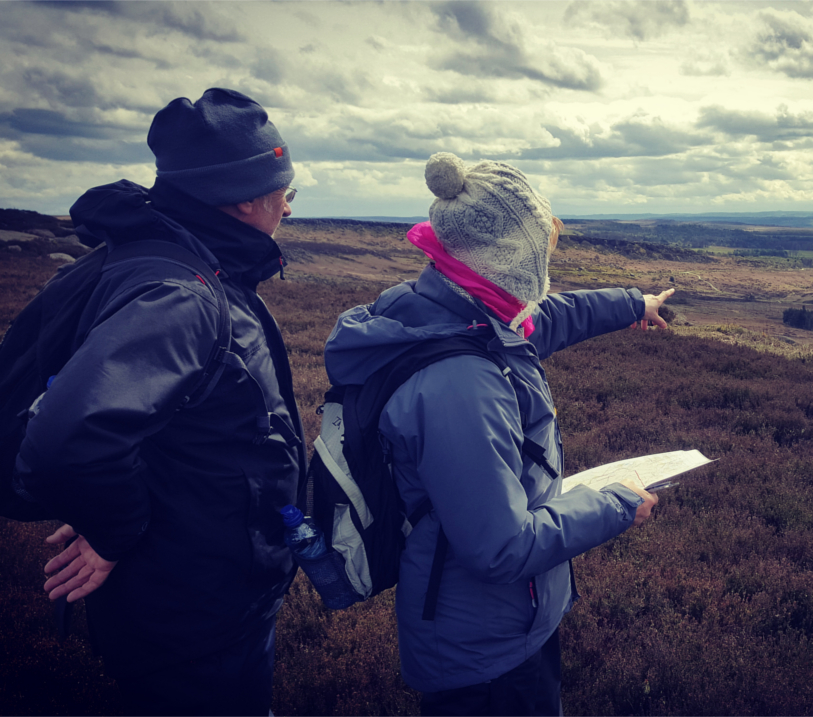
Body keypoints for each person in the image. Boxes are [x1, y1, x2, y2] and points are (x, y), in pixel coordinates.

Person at [323, 152, 672, 716]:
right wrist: (616, 505)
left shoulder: (449, 307)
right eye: (541, 250)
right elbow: (500, 549)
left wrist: (633, 304)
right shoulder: (460, 383)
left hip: (500, 625)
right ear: (512, 259)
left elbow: (546, 320)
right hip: (485, 654)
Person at [15, 88, 306, 716]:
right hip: (195, 613)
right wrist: (112, 528)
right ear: (247, 197)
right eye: (287, 190)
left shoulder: (171, 262)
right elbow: (68, 442)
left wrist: (102, 508)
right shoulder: (182, 296)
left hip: (184, 590)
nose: (288, 205)